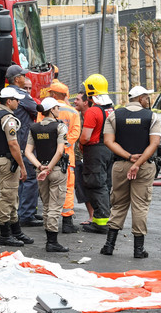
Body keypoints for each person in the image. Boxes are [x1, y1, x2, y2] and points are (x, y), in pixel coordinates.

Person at [100, 86, 161, 258]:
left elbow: (108, 141)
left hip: (120, 165)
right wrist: (138, 163)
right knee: (140, 205)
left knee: (118, 203)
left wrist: (128, 157)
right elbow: (154, 143)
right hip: (144, 166)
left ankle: (109, 246)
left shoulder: (114, 115)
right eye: (146, 97)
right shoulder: (152, 117)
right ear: (141, 98)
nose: (148, 100)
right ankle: (138, 250)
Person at [0, 86, 34, 247]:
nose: (18, 103)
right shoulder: (8, 118)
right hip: (7, 162)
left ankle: (16, 231)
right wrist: (22, 166)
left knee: (11, 195)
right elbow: (13, 144)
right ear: (9, 101)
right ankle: (5, 234)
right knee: (7, 197)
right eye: (16, 100)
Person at [24, 97, 70, 252]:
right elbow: (59, 151)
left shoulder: (34, 128)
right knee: (55, 206)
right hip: (55, 170)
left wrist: (40, 167)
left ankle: (50, 239)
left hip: (41, 170)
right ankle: (52, 242)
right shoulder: (60, 127)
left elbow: (28, 152)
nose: (59, 109)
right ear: (51, 110)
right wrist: (49, 168)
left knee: (46, 205)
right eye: (57, 107)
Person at [4, 64, 43, 227]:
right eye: (23, 76)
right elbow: (37, 111)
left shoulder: (7, 94)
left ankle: (22, 211)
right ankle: (26, 214)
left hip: (12, 139)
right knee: (29, 178)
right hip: (23, 141)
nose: (26, 78)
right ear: (17, 79)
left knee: (19, 178)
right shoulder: (21, 95)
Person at [80, 74, 115, 234]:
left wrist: (80, 144)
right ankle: (105, 220)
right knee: (106, 184)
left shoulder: (93, 111)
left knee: (96, 184)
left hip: (95, 151)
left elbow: (86, 136)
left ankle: (100, 223)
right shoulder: (111, 109)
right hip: (109, 148)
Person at [49, 82, 81, 234]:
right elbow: (75, 134)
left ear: (54, 95)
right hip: (67, 156)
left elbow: (40, 128)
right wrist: (63, 143)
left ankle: (50, 221)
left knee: (50, 187)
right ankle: (67, 222)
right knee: (68, 188)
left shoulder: (45, 109)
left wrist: (53, 144)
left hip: (48, 154)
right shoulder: (73, 112)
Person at [73, 91, 94, 225]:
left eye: (78, 99)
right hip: (77, 158)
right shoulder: (76, 116)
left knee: (94, 187)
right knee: (81, 188)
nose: (75, 102)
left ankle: (97, 216)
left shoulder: (92, 115)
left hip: (91, 158)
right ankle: (92, 216)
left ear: (85, 102)